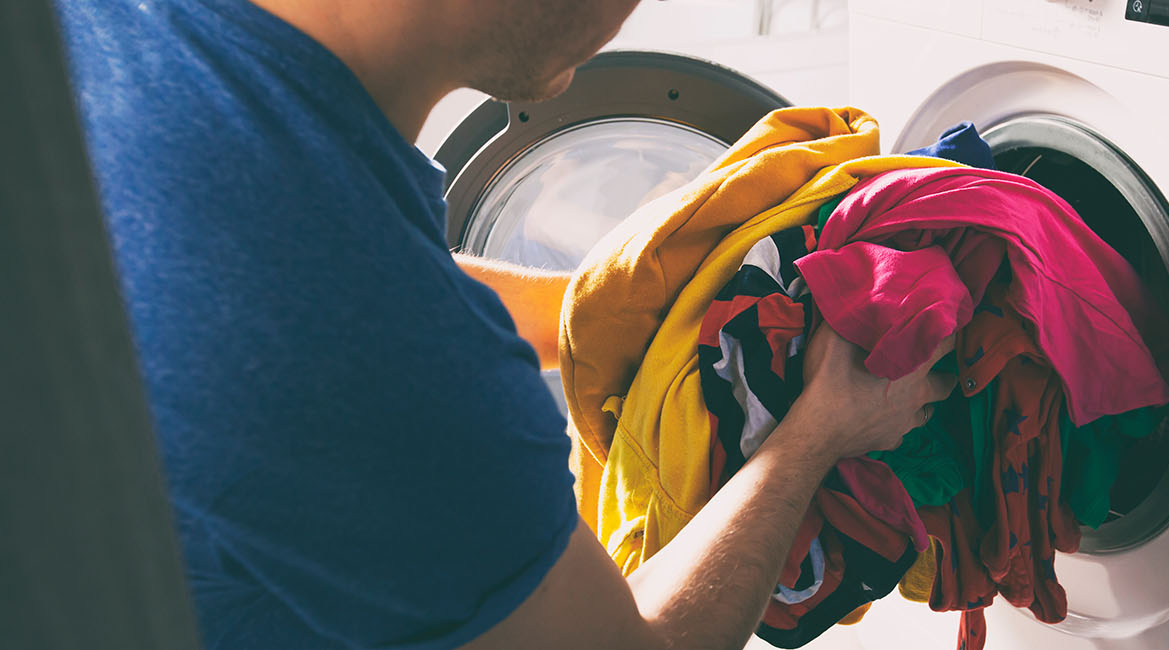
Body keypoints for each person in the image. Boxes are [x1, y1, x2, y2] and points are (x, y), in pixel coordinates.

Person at [55, 0, 956, 648]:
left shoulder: (143, 37)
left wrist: (600, 312)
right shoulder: (369, 358)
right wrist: (818, 436)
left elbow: (322, 265)